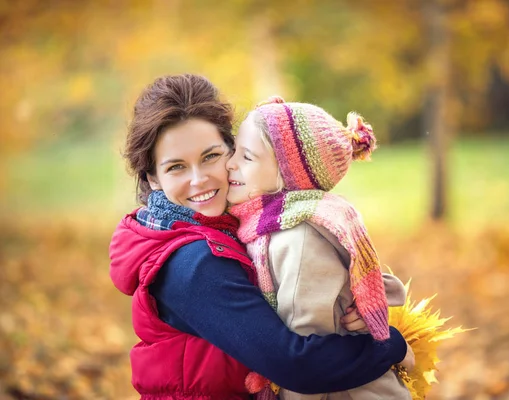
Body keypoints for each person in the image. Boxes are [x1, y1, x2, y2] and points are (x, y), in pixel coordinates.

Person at [109, 74, 414, 400]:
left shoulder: (231, 228)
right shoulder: (193, 262)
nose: (199, 180)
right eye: (176, 167)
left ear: (233, 148)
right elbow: (296, 365)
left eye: (211, 156)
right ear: (153, 179)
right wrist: (391, 345)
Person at [226, 96, 413, 399]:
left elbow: (308, 364)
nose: (230, 163)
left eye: (247, 157)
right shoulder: (260, 226)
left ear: (286, 178)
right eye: (234, 150)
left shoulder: (297, 242)